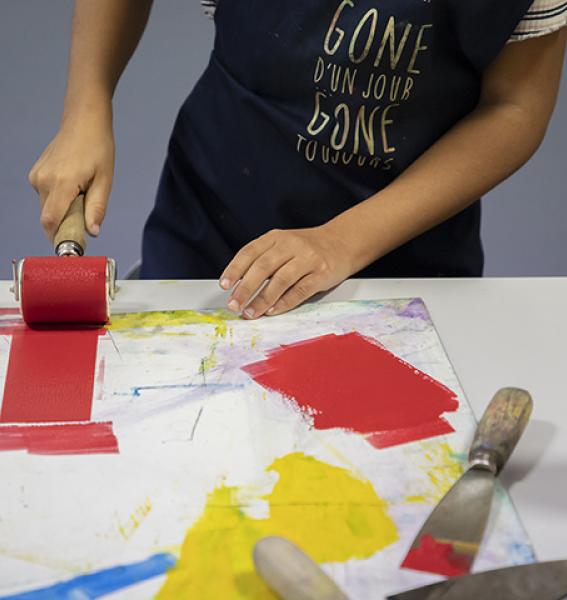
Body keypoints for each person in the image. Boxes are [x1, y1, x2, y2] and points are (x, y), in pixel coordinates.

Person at [29, 0, 566, 319]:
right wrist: (86, 105)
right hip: (211, 237)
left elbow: (515, 106)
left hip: (403, 265)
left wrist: (341, 241)